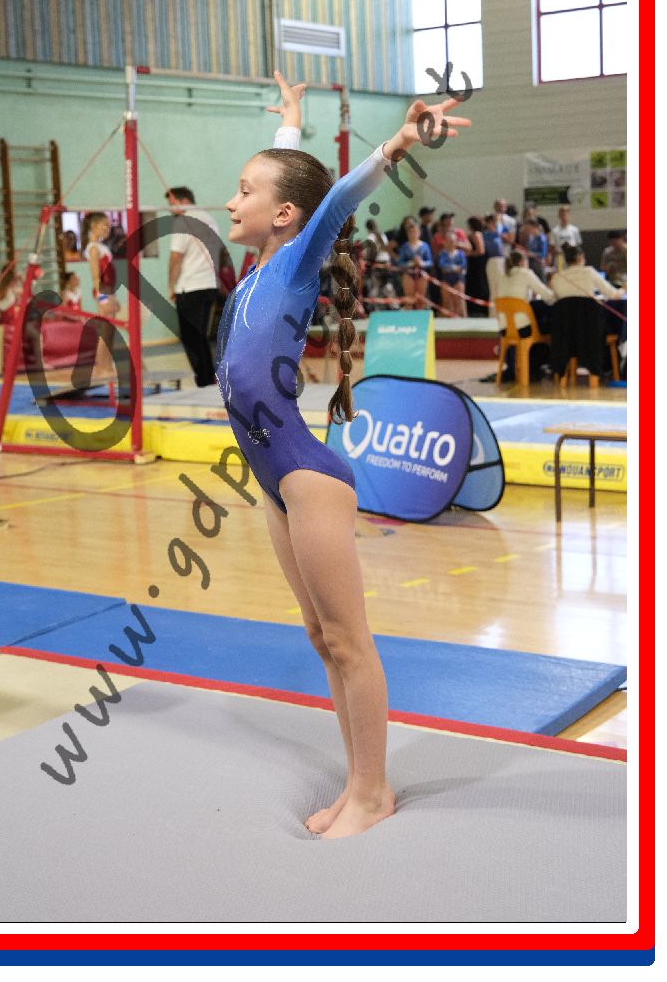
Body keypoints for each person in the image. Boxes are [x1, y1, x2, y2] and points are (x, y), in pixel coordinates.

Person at [216, 69, 471, 840]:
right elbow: (294, 188)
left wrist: (397, 143)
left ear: (281, 215)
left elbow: (328, 202)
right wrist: (289, 124)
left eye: (243, 191)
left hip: (305, 475)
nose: (230, 201)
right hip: (275, 482)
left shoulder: (296, 262)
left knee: (349, 641)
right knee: (320, 637)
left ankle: (373, 791)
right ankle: (359, 782)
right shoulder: (260, 268)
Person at [165, 186, 221, 387]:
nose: (170, 209)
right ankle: (208, 379)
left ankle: (203, 380)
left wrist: (171, 284)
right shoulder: (209, 218)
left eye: (172, 204)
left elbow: (176, 257)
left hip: (191, 286)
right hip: (209, 284)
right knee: (200, 337)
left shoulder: (183, 221)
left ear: (183, 201)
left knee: (190, 338)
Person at [495, 248, 555, 381]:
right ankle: (537, 368)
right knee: (549, 332)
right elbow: (548, 296)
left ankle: (516, 368)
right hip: (522, 329)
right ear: (522, 262)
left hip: (504, 330)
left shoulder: (501, 276)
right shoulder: (526, 273)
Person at [81, 210, 121, 377]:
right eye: (104, 226)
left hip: (108, 290)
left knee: (109, 330)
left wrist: (113, 296)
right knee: (105, 331)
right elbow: (96, 277)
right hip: (103, 291)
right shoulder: (93, 249)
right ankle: (101, 367)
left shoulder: (101, 246)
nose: (107, 229)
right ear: (94, 226)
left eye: (109, 226)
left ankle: (107, 365)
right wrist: (102, 298)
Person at [549, 244, 626, 302]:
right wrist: (624, 289)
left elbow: (551, 301)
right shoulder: (590, 272)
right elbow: (613, 295)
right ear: (580, 257)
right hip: (589, 317)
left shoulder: (557, 277)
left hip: (563, 318)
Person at [397, 216, 433, 309]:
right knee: (409, 299)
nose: (413, 234)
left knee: (421, 299)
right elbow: (400, 263)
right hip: (409, 274)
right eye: (410, 232)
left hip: (422, 274)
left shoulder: (425, 245)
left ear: (419, 233)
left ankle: (420, 316)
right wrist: (411, 263)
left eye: (415, 232)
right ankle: (409, 316)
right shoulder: (404, 246)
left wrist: (421, 263)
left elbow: (430, 262)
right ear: (407, 234)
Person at [436, 230, 468, 316]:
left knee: (459, 301)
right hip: (446, 279)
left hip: (458, 279)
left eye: (452, 241)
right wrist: (454, 267)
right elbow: (442, 265)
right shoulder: (442, 253)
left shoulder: (460, 253)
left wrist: (452, 268)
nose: (450, 243)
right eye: (449, 241)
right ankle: (447, 320)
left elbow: (463, 265)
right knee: (446, 301)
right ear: (445, 242)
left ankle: (462, 319)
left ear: (456, 242)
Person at [463, 215, 489, 316]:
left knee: (477, 284)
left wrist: (469, 254)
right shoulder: (478, 234)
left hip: (477, 264)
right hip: (476, 263)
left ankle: (478, 309)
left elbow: (480, 250)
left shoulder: (476, 234)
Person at [548, 205, 582, 271]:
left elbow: (578, 245)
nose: (564, 217)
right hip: (560, 258)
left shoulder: (574, 230)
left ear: (569, 216)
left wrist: (579, 257)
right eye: (563, 215)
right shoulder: (555, 231)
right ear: (559, 216)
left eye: (566, 215)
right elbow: (552, 247)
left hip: (572, 259)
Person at [482, 212, 505, 305]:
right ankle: (494, 309)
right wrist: (498, 220)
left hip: (501, 260)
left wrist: (498, 220)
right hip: (493, 260)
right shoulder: (486, 234)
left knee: (501, 286)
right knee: (494, 287)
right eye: (492, 222)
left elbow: (500, 230)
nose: (494, 224)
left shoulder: (497, 232)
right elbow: (498, 231)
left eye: (494, 222)